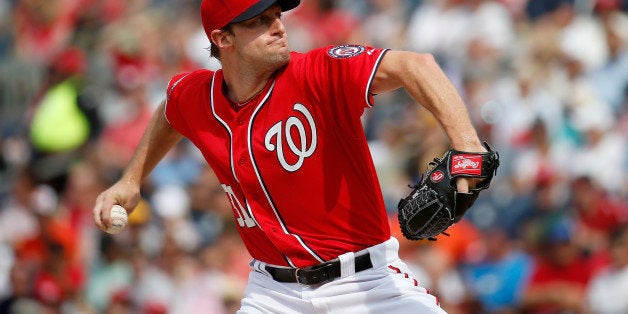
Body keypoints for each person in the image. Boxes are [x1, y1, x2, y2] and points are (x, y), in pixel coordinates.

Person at [93, 0, 488, 312]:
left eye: (276, 15)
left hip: (367, 283)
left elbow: (416, 65)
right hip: (272, 295)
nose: (278, 26)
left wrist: (468, 145)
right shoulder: (198, 96)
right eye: (259, 21)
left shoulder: (318, 73)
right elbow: (171, 108)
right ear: (223, 38)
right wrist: (130, 179)